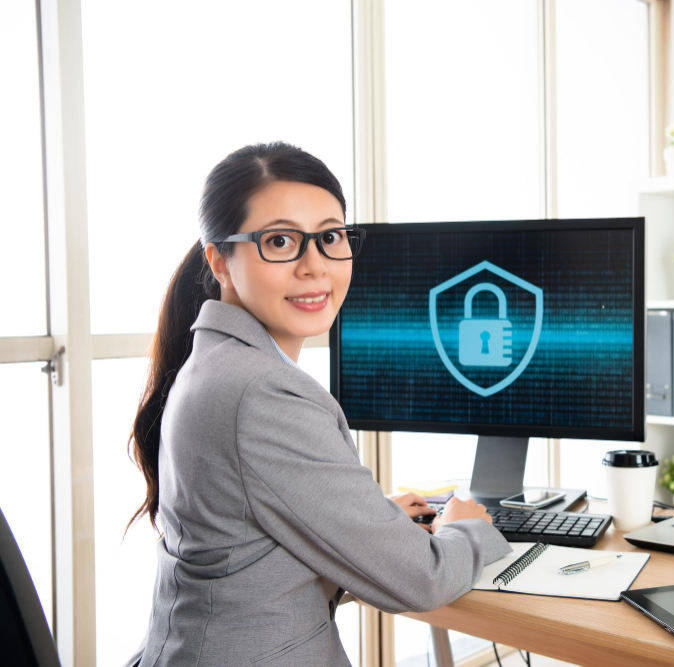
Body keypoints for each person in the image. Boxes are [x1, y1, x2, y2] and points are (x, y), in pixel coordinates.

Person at [124, 142, 511, 667]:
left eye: (330, 237)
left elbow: (247, 558)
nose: (314, 267)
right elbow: (422, 580)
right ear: (219, 259)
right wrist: (469, 527)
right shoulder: (263, 393)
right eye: (279, 241)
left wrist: (365, 526)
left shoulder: (215, 365)